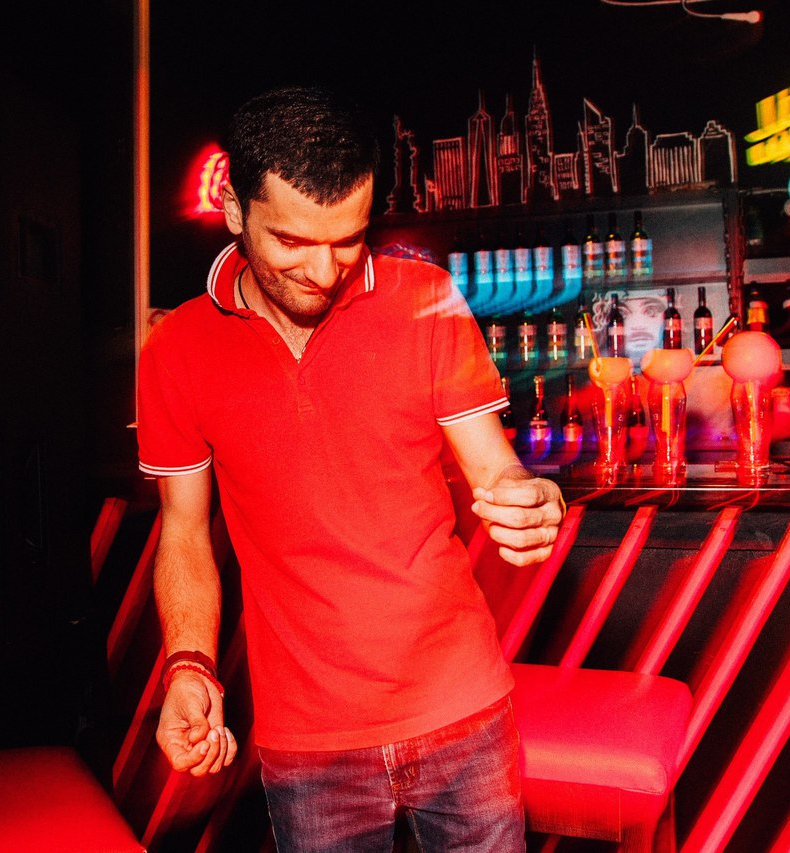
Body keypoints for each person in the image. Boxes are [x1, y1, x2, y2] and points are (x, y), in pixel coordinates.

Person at [136, 85, 564, 852]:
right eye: (293, 241)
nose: (323, 270)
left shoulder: (424, 299)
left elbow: (496, 470)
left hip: (463, 707)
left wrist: (528, 500)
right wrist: (189, 666)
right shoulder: (176, 349)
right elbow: (184, 531)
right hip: (310, 741)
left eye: (347, 241)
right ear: (234, 209)